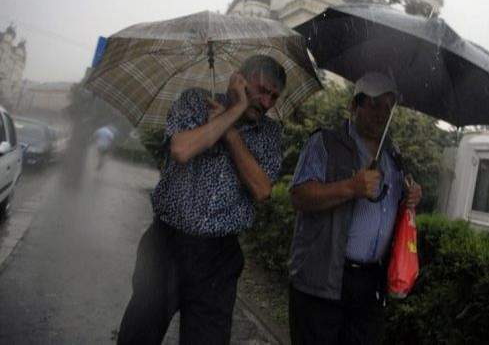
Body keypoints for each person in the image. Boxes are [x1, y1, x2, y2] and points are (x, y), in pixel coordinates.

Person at [117, 55, 287, 345]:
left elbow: (261, 190)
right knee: (138, 335)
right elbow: (182, 149)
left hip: (218, 259)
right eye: (261, 90)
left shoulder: (269, 133)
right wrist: (232, 113)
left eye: (274, 96)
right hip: (166, 247)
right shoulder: (195, 102)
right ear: (239, 79)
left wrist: (230, 133)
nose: (268, 102)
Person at [288, 72, 422, 345]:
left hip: (370, 283)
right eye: (373, 104)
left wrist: (411, 198)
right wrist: (351, 187)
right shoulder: (324, 143)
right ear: (354, 106)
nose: (381, 113)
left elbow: (393, 207)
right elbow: (299, 196)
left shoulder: (394, 157)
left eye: (388, 106)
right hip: (322, 278)